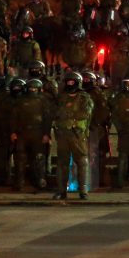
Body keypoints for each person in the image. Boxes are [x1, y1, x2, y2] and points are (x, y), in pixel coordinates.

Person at [49, 72, 94, 200]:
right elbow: (55, 112)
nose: (70, 84)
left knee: (82, 161)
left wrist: (68, 115)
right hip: (63, 134)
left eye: (72, 82)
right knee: (62, 163)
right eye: (68, 82)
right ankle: (61, 190)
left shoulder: (84, 97)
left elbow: (85, 114)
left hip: (77, 134)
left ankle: (83, 190)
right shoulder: (61, 98)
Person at [11, 78, 52, 191]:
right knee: (20, 158)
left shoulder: (44, 101)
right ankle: (19, 183)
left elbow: (47, 119)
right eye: (30, 88)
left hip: (38, 132)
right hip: (22, 133)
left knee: (39, 158)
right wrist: (13, 132)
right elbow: (15, 117)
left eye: (34, 88)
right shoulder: (20, 100)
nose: (32, 90)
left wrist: (46, 134)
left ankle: (40, 181)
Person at [82, 71, 111, 187]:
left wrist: (96, 123)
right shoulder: (80, 93)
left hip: (96, 128)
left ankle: (98, 178)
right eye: (84, 79)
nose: (86, 82)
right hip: (84, 127)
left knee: (99, 154)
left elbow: (103, 111)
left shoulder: (98, 94)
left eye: (88, 79)